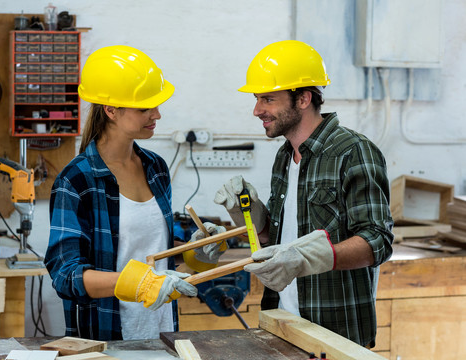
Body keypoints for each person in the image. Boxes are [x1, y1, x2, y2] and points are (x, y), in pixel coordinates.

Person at [214, 40, 394, 348]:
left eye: (267, 99)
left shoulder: (353, 152)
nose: (257, 110)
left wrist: (315, 256)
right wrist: (251, 216)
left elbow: (378, 241)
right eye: (258, 99)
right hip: (284, 322)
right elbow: (277, 241)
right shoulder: (284, 157)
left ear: (303, 99)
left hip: (336, 332)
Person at [45, 45, 223, 341]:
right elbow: (66, 277)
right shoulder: (77, 180)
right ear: (111, 110)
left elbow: (156, 257)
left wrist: (196, 253)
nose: (157, 115)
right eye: (144, 108)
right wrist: (138, 284)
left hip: (161, 329)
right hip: (108, 334)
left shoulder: (156, 168)